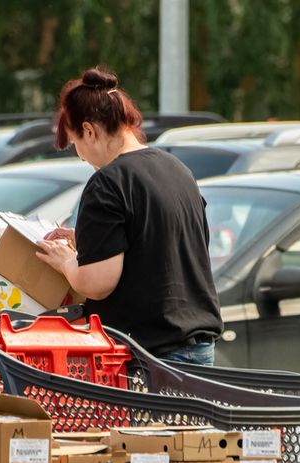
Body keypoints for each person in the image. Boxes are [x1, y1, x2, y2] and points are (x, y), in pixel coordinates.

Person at [34, 67, 223, 366]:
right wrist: (88, 238)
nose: (81, 156)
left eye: (76, 145)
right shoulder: (177, 169)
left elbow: (98, 283)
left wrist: (65, 263)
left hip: (152, 356)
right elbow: (159, 240)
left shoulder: (108, 182)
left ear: (90, 131)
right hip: (199, 345)